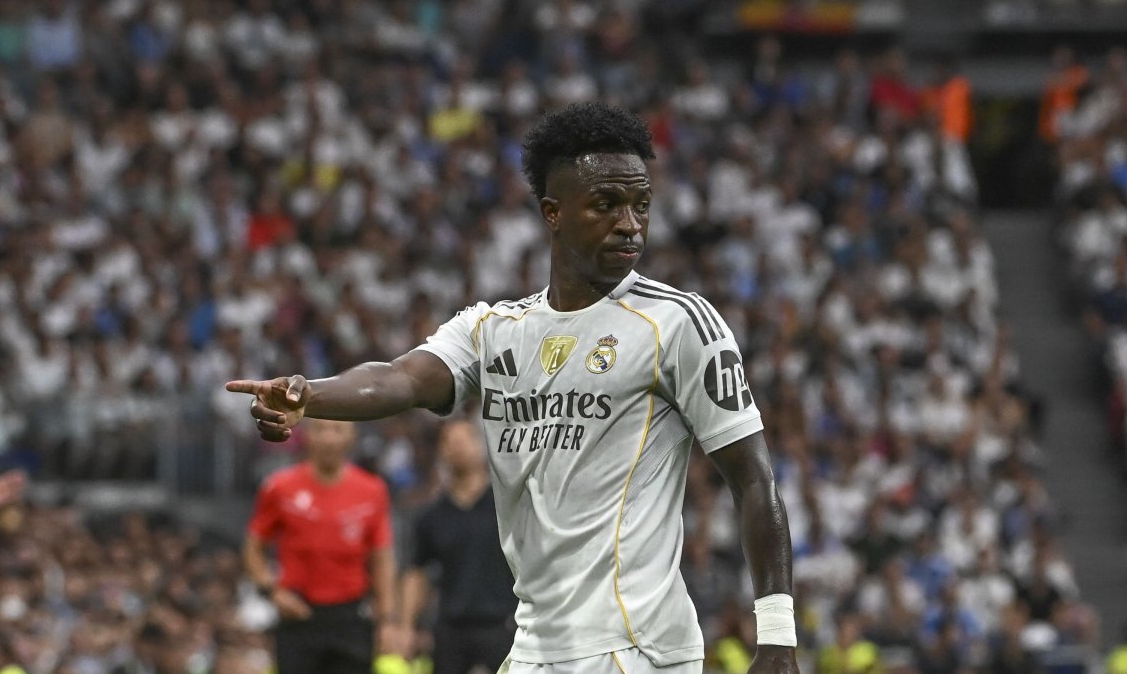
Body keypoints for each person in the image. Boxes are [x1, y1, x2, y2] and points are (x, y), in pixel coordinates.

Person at [227, 102, 799, 673]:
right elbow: (400, 378)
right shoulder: (494, 330)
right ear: (553, 213)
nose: (630, 224)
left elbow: (752, 476)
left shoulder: (678, 323)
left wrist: (776, 636)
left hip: (636, 649)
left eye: (641, 205)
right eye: (606, 205)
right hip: (533, 648)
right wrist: (311, 394)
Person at [243, 418, 397, 674]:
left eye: (337, 430)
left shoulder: (373, 490)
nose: (328, 438)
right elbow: (253, 546)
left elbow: (382, 557)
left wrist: (387, 619)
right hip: (298, 616)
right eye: (320, 429)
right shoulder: (279, 487)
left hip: (351, 616)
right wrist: (271, 591)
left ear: (351, 437)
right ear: (307, 436)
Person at [397, 419, 517, 673]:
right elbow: (417, 572)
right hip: (451, 626)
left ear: (480, 445)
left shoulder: (507, 507)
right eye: (449, 442)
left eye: (463, 440)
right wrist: (406, 627)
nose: (456, 448)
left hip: (503, 624)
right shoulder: (431, 515)